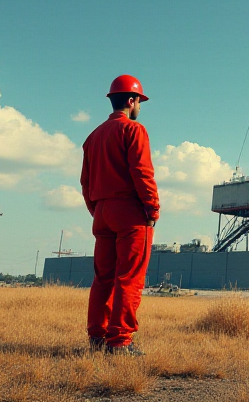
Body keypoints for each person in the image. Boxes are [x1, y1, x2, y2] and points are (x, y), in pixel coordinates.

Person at [80, 74, 160, 355]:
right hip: (129, 213)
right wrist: (152, 210)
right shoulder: (134, 131)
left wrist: (97, 210)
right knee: (129, 277)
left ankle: (97, 338)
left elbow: (85, 183)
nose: (140, 107)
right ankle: (121, 341)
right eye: (140, 102)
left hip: (102, 212)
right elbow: (142, 172)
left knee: (103, 278)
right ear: (131, 100)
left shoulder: (92, 137)